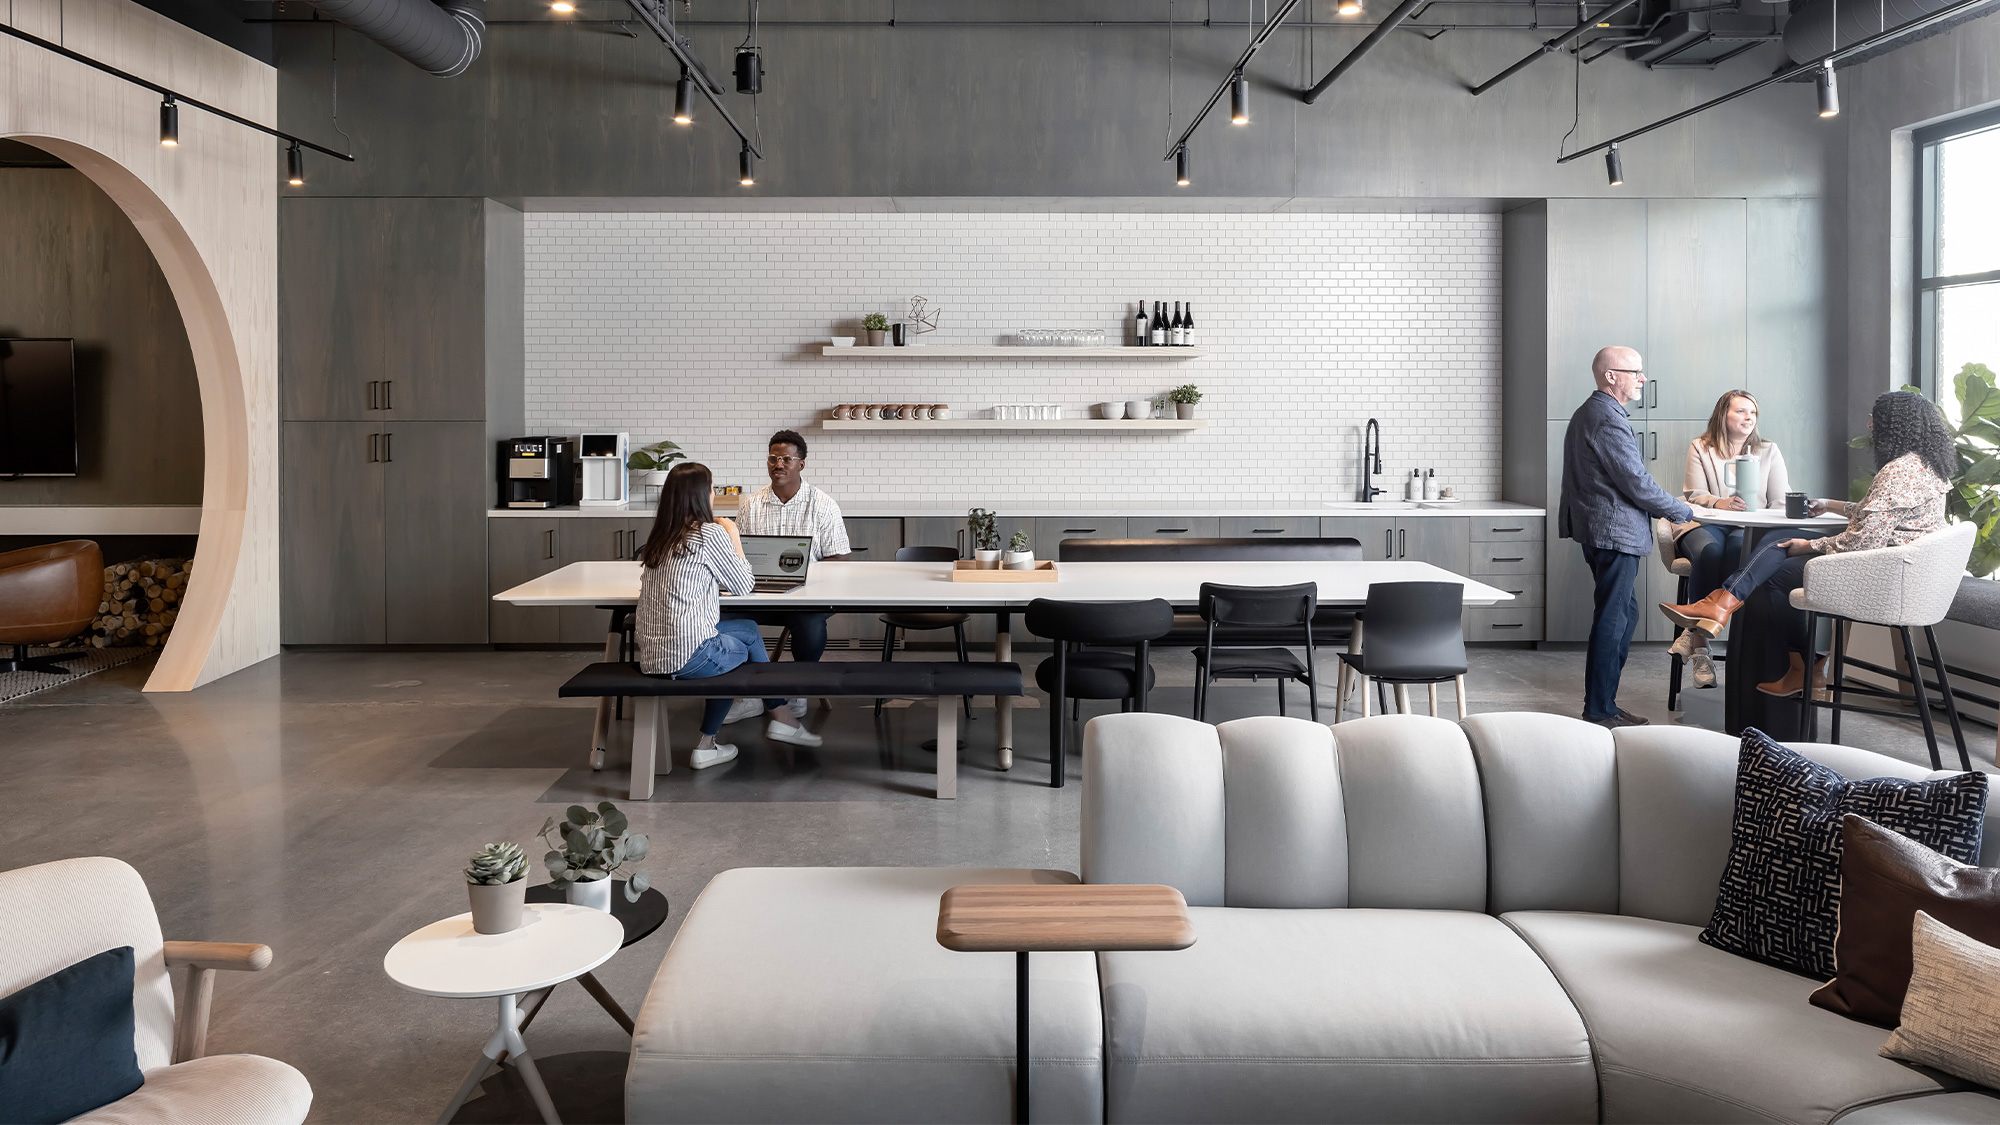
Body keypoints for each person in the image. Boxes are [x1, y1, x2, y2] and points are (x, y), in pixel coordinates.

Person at [1660, 390, 1955, 698]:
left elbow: (1865, 539)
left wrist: (1808, 546)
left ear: (1896, 424)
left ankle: (1789, 656)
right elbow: (1874, 513)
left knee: (1778, 561)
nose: (1870, 424)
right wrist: (1829, 504)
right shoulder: (1922, 464)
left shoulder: (1900, 471)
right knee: (1775, 543)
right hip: (1894, 563)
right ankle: (1739, 619)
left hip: (1882, 569)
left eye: (1876, 419)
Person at [636, 461, 822, 769]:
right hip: (689, 657)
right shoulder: (709, 534)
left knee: (747, 629)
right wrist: (734, 536)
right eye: (711, 489)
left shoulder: (661, 537)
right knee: (736, 658)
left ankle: (772, 717)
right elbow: (743, 584)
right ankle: (769, 721)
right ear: (699, 495)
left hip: (654, 655)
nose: (713, 494)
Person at [1559, 346, 1695, 729]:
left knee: (1623, 614)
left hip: (1601, 530)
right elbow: (1635, 482)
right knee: (1614, 618)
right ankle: (1600, 710)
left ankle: (1605, 704)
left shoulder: (1596, 413)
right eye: (1634, 372)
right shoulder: (1607, 418)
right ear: (1611, 376)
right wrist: (1682, 510)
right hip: (1613, 533)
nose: (1642, 378)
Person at [1666, 389, 1794, 688]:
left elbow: (1779, 500)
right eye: (1740, 411)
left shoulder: (1768, 450)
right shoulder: (1701, 447)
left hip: (1746, 528)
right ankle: (1701, 650)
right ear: (1723, 414)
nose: (1748, 417)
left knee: (1740, 550)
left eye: (1752, 412)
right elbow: (1693, 494)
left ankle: (1694, 635)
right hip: (1704, 523)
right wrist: (1718, 502)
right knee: (1710, 552)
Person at [728, 429, 851, 722]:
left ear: (801, 464)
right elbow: (738, 552)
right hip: (756, 593)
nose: (778, 464)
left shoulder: (823, 505)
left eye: (786, 459)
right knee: (724, 618)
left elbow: (840, 559)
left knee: (810, 624)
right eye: (773, 458)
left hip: (805, 597)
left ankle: (797, 690)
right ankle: (747, 692)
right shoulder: (750, 504)